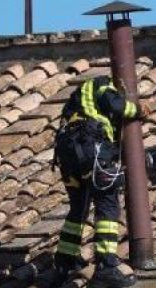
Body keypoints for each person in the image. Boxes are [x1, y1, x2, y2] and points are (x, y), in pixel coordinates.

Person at [52, 76, 149, 288]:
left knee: (79, 206)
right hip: (89, 147)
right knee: (107, 202)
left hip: (68, 155)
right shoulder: (101, 83)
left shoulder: (77, 101)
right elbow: (115, 104)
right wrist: (138, 110)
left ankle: (64, 261)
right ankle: (106, 265)